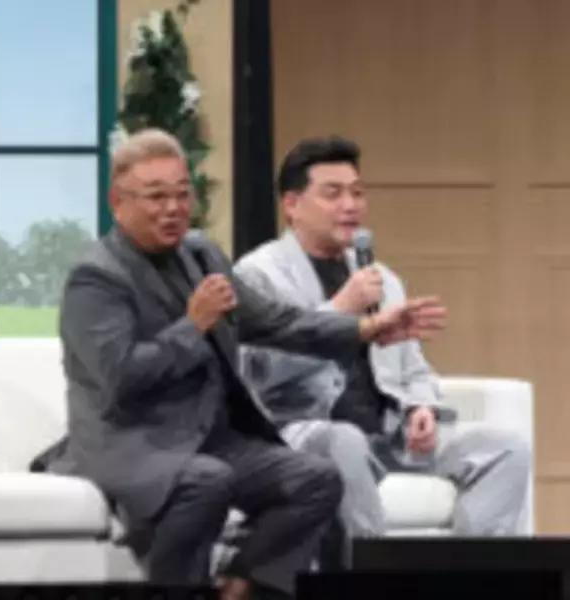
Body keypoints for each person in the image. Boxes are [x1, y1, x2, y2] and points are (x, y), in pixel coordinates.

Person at [39, 129, 446, 600]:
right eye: (156, 196)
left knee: (314, 479)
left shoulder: (201, 255)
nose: (172, 208)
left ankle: (241, 587)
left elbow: (276, 323)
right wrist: (194, 326)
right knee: (205, 481)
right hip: (131, 441)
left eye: (182, 194)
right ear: (117, 202)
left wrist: (366, 328)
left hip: (211, 439)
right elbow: (121, 378)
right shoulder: (96, 279)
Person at [235, 136, 530, 556]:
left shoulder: (381, 279)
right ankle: (370, 579)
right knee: (345, 441)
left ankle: (471, 576)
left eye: (357, 193)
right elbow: (257, 375)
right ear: (292, 204)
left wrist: (420, 406)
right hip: (305, 432)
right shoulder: (258, 275)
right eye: (333, 193)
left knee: (506, 449)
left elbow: (413, 369)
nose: (350, 205)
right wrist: (340, 309)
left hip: (388, 436)